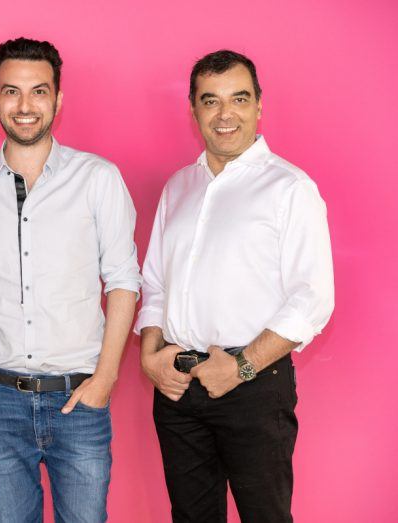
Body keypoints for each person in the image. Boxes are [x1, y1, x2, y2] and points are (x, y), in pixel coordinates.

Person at [0, 37, 141, 523]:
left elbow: (122, 280)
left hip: (79, 400)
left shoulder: (98, 179)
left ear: (58, 99)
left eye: (39, 91)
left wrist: (106, 379)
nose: (25, 106)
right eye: (11, 91)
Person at [137, 49, 335, 522]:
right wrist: (150, 356)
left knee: (264, 515)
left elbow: (312, 297)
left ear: (259, 105)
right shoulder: (178, 187)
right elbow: (156, 284)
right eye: (211, 100)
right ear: (194, 109)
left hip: (253, 386)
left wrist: (242, 367)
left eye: (239, 99)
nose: (225, 114)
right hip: (179, 387)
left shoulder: (289, 187)